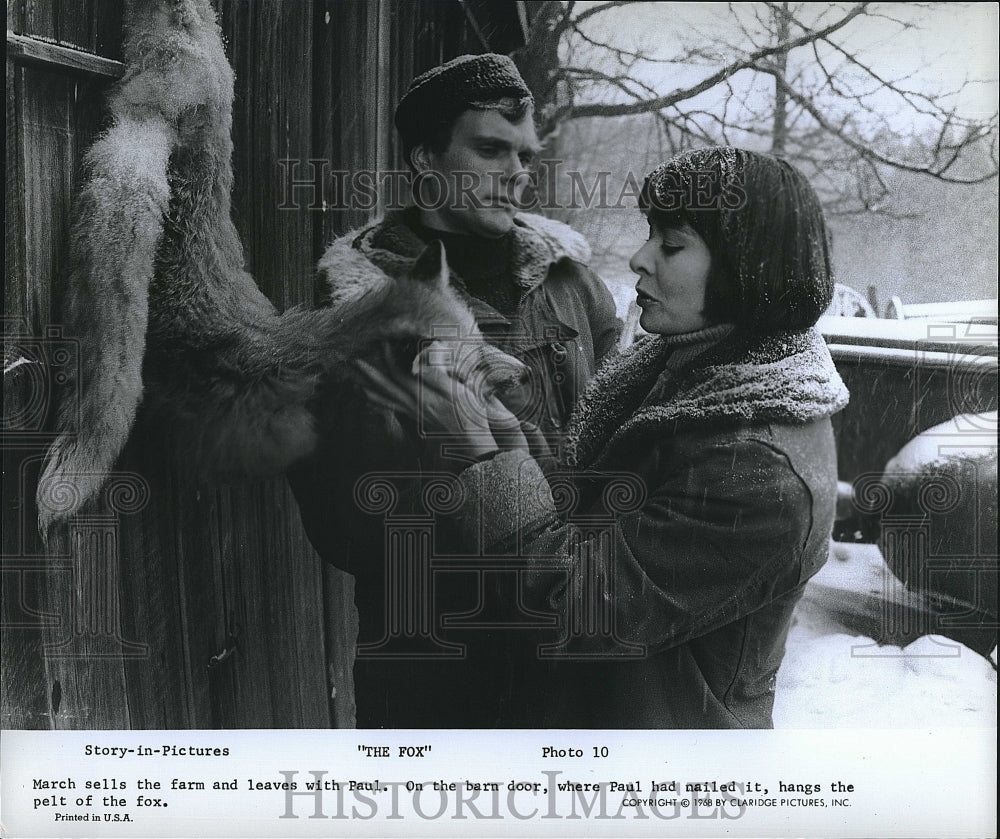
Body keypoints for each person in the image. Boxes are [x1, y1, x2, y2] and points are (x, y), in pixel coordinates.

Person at [362, 147, 851, 728]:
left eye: (671, 244)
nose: (640, 259)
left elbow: (570, 605)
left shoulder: (760, 472)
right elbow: (582, 508)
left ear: (750, 268)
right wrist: (502, 421)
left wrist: (476, 449)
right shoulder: (684, 367)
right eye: (650, 234)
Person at [289, 53, 620, 728]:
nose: (516, 175)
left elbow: (624, 446)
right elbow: (343, 523)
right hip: (433, 666)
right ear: (423, 159)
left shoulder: (572, 284)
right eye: (491, 150)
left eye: (525, 157)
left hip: (575, 647)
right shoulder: (361, 307)